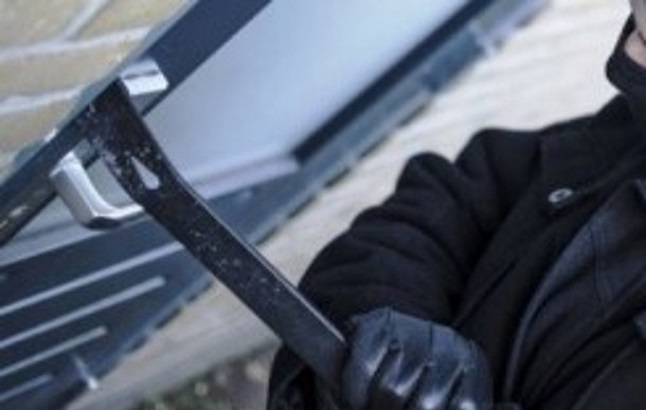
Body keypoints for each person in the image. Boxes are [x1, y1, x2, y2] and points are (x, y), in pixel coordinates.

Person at [268, 3, 646, 409]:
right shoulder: (629, 134)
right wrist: (385, 342)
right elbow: (450, 201)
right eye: (640, 40)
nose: (631, 59)